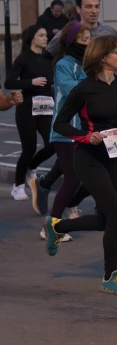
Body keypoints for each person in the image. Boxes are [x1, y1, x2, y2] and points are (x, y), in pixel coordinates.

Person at [45, 35, 117, 295]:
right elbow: (60, 123)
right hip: (87, 157)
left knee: (104, 219)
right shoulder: (84, 89)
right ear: (102, 58)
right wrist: (85, 136)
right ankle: (111, 275)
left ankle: (56, 226)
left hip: (113, 156)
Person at [43, 23, 92, 235]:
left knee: (90, 177)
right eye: (82, 37)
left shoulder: (89, 65)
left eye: (89, 37)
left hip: (84, 130)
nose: (86, 40)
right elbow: (71, 90)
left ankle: (68, 210)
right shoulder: (63, 64)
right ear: (72, 40)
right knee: (72, 179)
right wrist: (93, 83)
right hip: (65, 131)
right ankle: (51, 227)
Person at [7, 25, 55, 208]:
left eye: (46, 35)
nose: (45, 38)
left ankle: (32, 168)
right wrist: (30, 82)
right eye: (41, 35)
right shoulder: (23, 58)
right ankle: (18, 186)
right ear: (32, 38)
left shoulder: (48, 57)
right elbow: (9, 81)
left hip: (46, 107)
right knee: (29, 148)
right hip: (27, 108)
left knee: (53, 144)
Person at [46, 0, 117, 57]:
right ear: (78, 9)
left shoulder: (109, 31)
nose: (94, 11)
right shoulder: (69, 31)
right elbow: (47, 54)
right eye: (89, 7)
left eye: (97, 6)